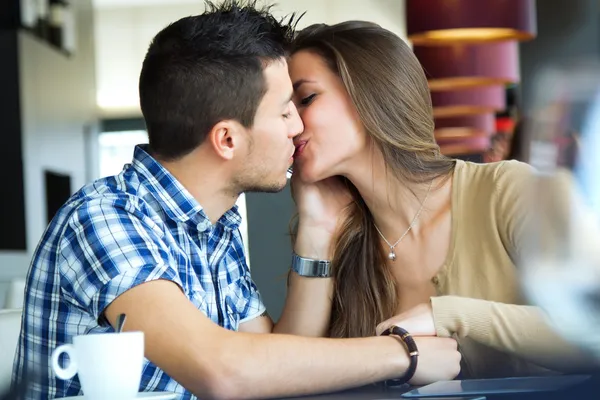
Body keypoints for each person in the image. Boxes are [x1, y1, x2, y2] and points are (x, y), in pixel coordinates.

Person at [12, 2, 461, 399]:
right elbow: (222, 370)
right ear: (226, 139)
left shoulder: (215, 228)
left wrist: (318, 233)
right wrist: (404, 353)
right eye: (286, 110)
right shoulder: (104, 218)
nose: (296, 127)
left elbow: (272, 364)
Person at [282, 20, 598, 379]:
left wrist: (448, 314)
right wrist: (316, 230)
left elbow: (593, 329)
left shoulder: (509, 189)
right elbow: (288, 377)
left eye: (305, 99)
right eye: (282, 107)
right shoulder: (333, 237)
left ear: (370, 93)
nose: (288, 123)